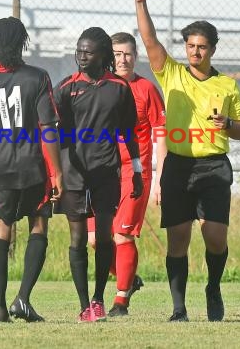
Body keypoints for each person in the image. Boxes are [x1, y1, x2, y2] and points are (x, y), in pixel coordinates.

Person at [134, 0, 240, 322]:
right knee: (178, 239)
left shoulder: (227, 85)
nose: (194, 51)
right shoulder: (172, 75)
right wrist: (141, 3)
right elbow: (149, 40)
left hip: (213, 166)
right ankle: (179, 308)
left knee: (214, 237)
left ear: (212, 49)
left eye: (201, 46)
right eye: (190, 45)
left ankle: (213, 288)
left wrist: (227, 123)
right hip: (179, 167)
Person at [0, 17, 63, 323]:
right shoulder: (38, 78)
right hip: (33, 167)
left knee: (2, 228)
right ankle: (23, 299)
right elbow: (48, 129)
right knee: (39, 225)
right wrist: (56, 173)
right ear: (23, 42)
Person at [53, 27, 143, 322]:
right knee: (78, 238)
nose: (81, 56)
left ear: (102, 54)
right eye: (79, 50)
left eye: (88, 51)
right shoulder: (66, 88)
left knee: (105, 238)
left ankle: (98, 299)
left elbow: (130, 133)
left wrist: (138, 172)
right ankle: (83, 306)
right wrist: (55, 172)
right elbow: (52, 132)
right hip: (74, 173)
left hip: (106, 172)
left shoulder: (118, 88)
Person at [87, 32, 167, 317]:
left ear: (136, 56)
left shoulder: (147, 89)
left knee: (121, 236)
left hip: (135, 174)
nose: (123, 59)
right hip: (101, 174)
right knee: (96, 240)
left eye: (128, 54)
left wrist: (160, 178)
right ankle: (130, 279)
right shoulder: (98, 86)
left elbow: (161, 135)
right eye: (117, 54)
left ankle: (121, 300)